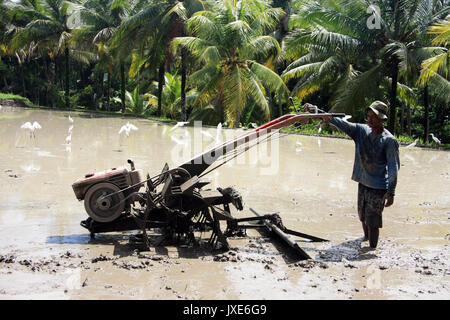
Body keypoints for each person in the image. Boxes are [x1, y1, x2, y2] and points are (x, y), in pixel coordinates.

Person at [307, 101, 400, 248]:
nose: (370, 119)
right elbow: (340, 123)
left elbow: (393, 167)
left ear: (382, 119)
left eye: (374, 117)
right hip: (362, 182)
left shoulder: (389, 141)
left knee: (373, 220)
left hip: (378, 187)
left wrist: (391, 192)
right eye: (369, 116)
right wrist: (318, 111)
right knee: (362, 216)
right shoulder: (361, 131)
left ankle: (372, 249)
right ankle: (365, 240)